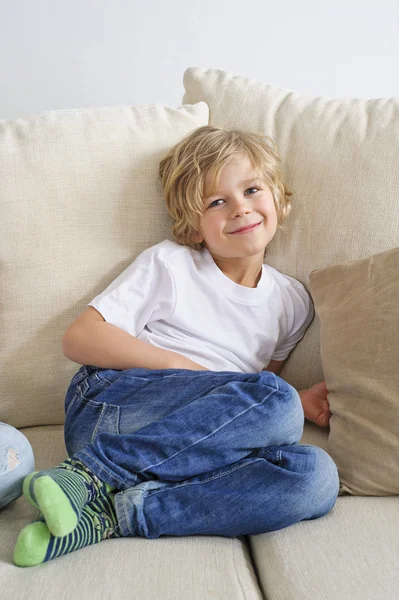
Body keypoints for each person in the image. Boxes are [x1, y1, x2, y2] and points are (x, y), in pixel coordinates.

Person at [13, 125, 338, 567]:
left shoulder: (292, 302)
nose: (240, 208)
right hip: (115, 406)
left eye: (251, 189)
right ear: (193, 223)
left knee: (316, 477)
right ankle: (87, 475)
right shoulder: (170, 263)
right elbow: (80, 338)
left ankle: (111, 515)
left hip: (184, 447)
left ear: (279, 198)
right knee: (278, 400)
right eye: (217, 201)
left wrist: (297, 401)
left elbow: (250, 406)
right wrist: (177, 365)